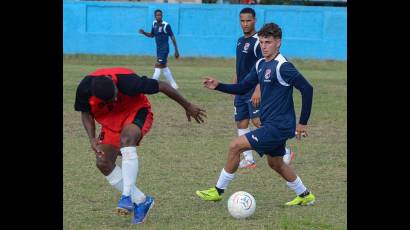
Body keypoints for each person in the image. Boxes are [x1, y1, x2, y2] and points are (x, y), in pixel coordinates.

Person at [196, 23, 315, 206]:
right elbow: (243, 86)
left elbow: (307, 89)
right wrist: (218, 85)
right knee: (276, 163)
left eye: (268, 42)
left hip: (279, 126)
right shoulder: (260, 64)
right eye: (261, 42)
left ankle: (218, 191)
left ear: (278, 43)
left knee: (235, 146)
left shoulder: (283, 66)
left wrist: (302, 123)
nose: (263, 46)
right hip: (271, 124)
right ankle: (305, 195)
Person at [74, 67, 206, 224]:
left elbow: (162, 86)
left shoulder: (128, 81)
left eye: (115, 95)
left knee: (126, 140)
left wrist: (188, 105)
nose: (115, 100)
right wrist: (92, 138)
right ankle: (141, 201)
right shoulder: (84, 89)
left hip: (135, 111)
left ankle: (126, 195)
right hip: (110, 121)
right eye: (110, 100)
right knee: (103, 162)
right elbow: (85, 112)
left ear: (115, 85)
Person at [234, 7, 294, 169]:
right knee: (241, 121)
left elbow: (265, 66)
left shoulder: (258, 42)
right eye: (242, 21)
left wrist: (258, 89)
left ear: (254, 20)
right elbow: (240, 64)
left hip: (253, 89)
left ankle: (284, 151)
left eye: (248, 20)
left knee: (258, 121)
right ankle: (248, 159)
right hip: (242, 88)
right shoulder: (240, 40)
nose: (245, 24)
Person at [139, 9, 180, 89]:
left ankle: (151, 85)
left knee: (157, 65)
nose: (159, 16)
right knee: (164, 67)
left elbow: (172, 37)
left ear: (162, 16)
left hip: (164, 49)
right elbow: (152, 35)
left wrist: (176, 50)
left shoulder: (166, 25)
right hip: (158, 49)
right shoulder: (154, 24)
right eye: (157, 15)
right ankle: (174, 85)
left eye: (160, 15)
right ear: (155, 16)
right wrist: (144, 33)